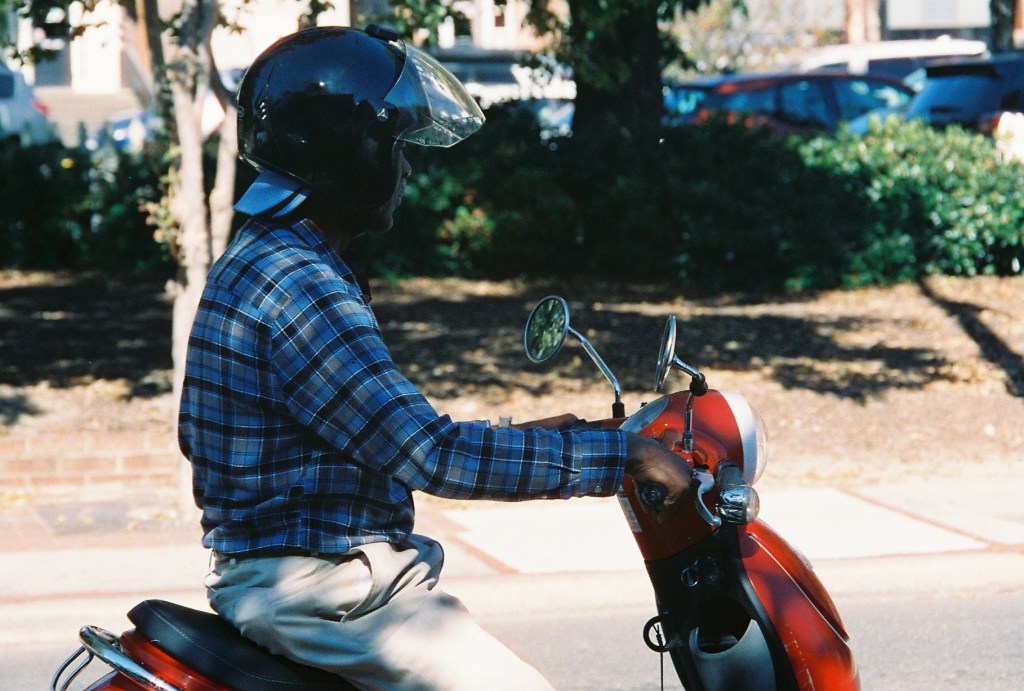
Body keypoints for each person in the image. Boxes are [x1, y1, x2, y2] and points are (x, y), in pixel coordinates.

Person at [178, 24, 691, 691]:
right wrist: (622, 458)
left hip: (304, 572)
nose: (407, 168)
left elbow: (375, 435)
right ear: (351, 153)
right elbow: (431, 455)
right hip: (320, 589)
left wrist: (538, 438)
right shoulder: (299, 285)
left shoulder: (268, 257)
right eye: (396, 146)